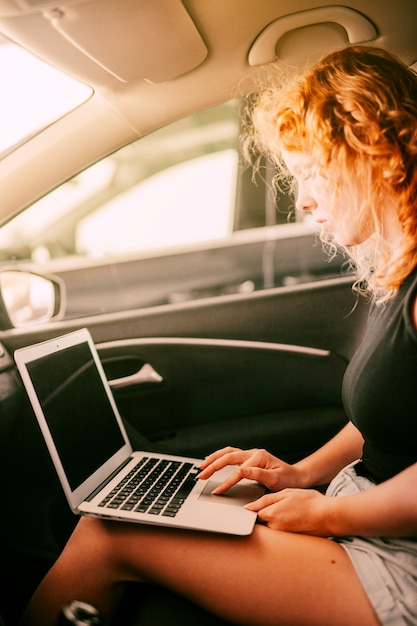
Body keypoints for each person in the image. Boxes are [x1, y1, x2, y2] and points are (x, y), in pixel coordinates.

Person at [19, 45, 417, 626]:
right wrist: (300, 473)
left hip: (401, 562)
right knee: (170, 504)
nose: (304, 201)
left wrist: (328, 518)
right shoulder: (400, 272)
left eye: (310, 173)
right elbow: (394, 414)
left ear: (371, 155)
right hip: (367, 513)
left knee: (107, 535)